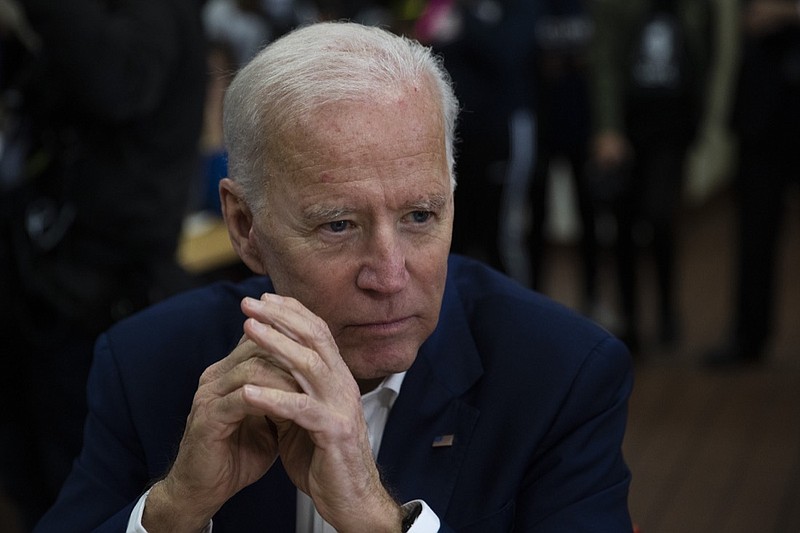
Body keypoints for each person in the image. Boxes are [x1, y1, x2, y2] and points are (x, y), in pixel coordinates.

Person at [35, 21, 633, 532]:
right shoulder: (148, 362)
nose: (390, 274)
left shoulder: (561, 374)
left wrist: (378, 522)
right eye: (339, 225)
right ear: (245, 226)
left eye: (420, 216)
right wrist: (172, 511)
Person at [0, 0, 206, 529]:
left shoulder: (149, 18)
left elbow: (118, 83)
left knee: (87, 491)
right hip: (43, 287)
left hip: (106, 297)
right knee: (34, 480)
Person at [587, 0, 712, 353]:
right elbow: (605, 60)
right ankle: (630, 318)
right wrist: (609, 127)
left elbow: (705, 54)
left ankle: (667, 310)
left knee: (659, 216)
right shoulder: (615, 9)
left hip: (672, 129)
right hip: (631, 126)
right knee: (624, 224)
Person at [705, 0, 800, 367]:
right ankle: (749, 335)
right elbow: (752, 16)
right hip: (763, 113)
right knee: (754, 234)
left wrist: (785, 14)